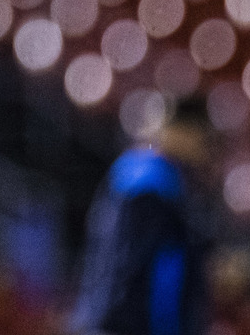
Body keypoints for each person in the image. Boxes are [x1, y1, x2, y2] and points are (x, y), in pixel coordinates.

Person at [71, 99, 217, 335]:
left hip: (106, 318)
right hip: (130, 324)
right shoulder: (152, 186)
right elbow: (149, 273)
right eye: (199, 134)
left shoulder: (131, 172)